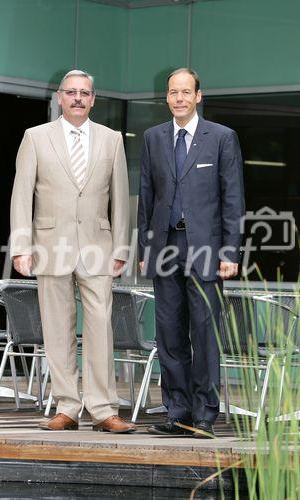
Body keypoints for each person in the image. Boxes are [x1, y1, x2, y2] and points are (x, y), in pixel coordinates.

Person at [10, 69, 136, 433]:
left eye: (85, 93)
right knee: (57, 328)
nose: (78, 98)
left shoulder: (112, 140)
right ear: (60, 98)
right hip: (50, 245)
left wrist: (122, 247)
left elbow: (120, 200)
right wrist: (21, 246)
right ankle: (67, 406)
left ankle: (103, 409)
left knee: (100, 326)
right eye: (71, 92)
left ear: (93, 99)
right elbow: (21, 197)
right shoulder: (35, 138)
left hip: (99, 247)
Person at [138, 68, 244, 438]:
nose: (179, 98)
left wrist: (230, 252)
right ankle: (177, 412)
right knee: (169, 333)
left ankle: (204, 415)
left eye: (186, 92)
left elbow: (233, 200)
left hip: (206, 249)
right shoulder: (153, 138)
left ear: (198, 96)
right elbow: (147, 198)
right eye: (172, 92)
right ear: (166, 97)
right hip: (165, 247)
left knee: (203, 332)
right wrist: (144, 248)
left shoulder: (221, 138)